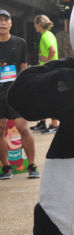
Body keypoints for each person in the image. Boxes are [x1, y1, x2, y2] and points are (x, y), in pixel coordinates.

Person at [0, 9, 39, 179]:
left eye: (5, 20)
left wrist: (26, 88)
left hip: (15, 91)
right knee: (0, 130)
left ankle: (32, 165)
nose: (2, 23)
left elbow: (23, 66)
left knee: (23, 128)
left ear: (11, 23)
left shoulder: (20, 43)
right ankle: (6, 167)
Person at [31, 15, 59, 133]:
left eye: (35, 23)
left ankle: (54, 124)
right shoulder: (49, 35)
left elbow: (52, 50)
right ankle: (43, 122)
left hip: (49, 71)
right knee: (43, 97)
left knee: (50, 97)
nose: (34, 25)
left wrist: (47, 63)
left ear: (39, 24)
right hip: (49, 71)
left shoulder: (45, 36)